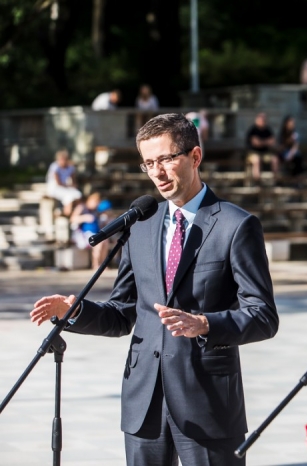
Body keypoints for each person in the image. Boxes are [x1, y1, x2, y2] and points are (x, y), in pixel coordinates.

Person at [30, 113, 278, 466]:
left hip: (207, 402)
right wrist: (74, 310)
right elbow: (121, 314)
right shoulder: (140, 227)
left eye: (165, 159)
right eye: (148, 163)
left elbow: (263, 317)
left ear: (195, 157)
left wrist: (205, 324)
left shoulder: (236, 226)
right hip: (143, 400)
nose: (157, 172)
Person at [69, 192, 111, 270]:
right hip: (82, 235)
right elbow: (72, 219)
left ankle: (103, 264)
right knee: (98, 242)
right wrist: (84, 218)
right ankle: (95, 264)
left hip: (94, 233)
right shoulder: (82, 207)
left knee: (105, 241)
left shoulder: (97, 211)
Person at [46, 149, 83, 216]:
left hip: (65, 187)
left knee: (78, 194)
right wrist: (69, 186)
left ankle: (76, 213)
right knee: (69, 196)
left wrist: (73, 185)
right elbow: (58, 182)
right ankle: (66, 213)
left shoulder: (70, 167)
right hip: (55, 188)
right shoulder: (55, 166)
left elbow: (74, 180)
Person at [246, 112, 278, 183]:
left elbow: (273, 141)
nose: (262, 121)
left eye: (264, 120)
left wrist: (261, 142)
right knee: (256, 160)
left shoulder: (268, 130)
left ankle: (275, 181)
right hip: (253, 153)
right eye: (260, 119)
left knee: (275, 159)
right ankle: (257, 182)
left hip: (265, 153)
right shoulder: (253, 130)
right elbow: (255, 143)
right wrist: (266, 142)